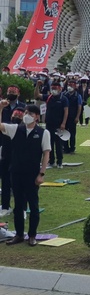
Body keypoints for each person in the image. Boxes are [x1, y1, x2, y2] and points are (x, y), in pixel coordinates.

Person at [0, 103, 50, 246]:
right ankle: (19, 234)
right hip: (16, 172)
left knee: (33, 205)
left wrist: (42, 173)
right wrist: (1, 108)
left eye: (31, 114)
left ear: (37, 117)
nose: (27, 116)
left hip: (32, 174)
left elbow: (46, 153)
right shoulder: (16, 129)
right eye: (26, 113)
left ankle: (32, 235)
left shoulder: (42, 133)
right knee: (18, 205)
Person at [0, 87, 26, 218]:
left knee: (19, 180)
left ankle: (21, 208)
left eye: (13, 94)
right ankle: (5, 206)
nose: (11, 96)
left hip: (19, 149)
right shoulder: (3, 106)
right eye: (9, 93)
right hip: (5, 145)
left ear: (18, 94)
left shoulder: (23, 106)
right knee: (5, 178)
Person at [40, 80, 68, 168]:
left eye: (55, 88)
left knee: (58, 143)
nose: (53, 90)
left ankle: (59, 161)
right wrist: (37, 86)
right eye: (52, 88)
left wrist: (63, 123)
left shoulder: (63, 99)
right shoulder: (49, 97)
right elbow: (37, 95)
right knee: (49, 143)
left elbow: (66, 112)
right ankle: (51, 161)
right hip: (49, 124)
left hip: (59, 124)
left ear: (60, 89)